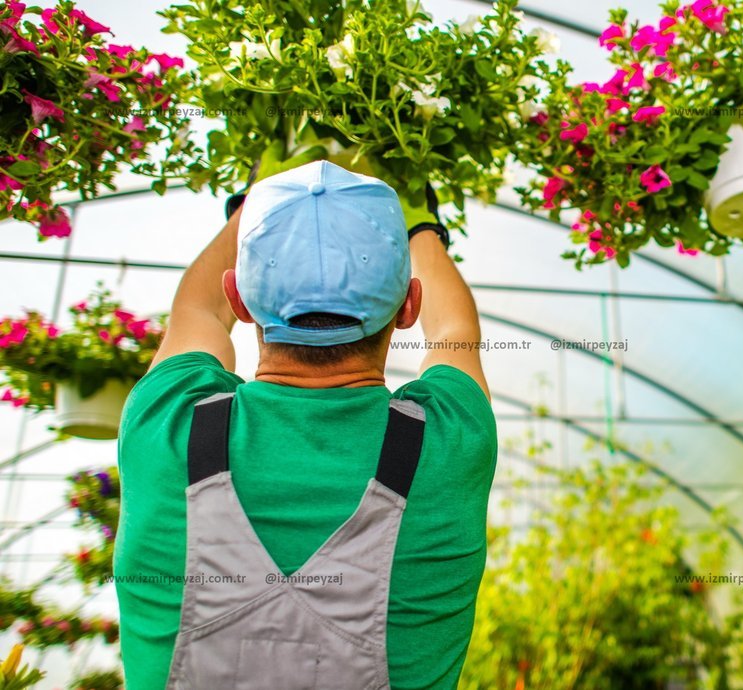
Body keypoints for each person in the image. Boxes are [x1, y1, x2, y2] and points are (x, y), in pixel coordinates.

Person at [113, 160, 497, 689]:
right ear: (409, 305)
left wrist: (252, 205)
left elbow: (196, 313)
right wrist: (423, 223)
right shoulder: (451, 438)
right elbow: (454, 333)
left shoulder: (166, 422)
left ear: (240, 298)